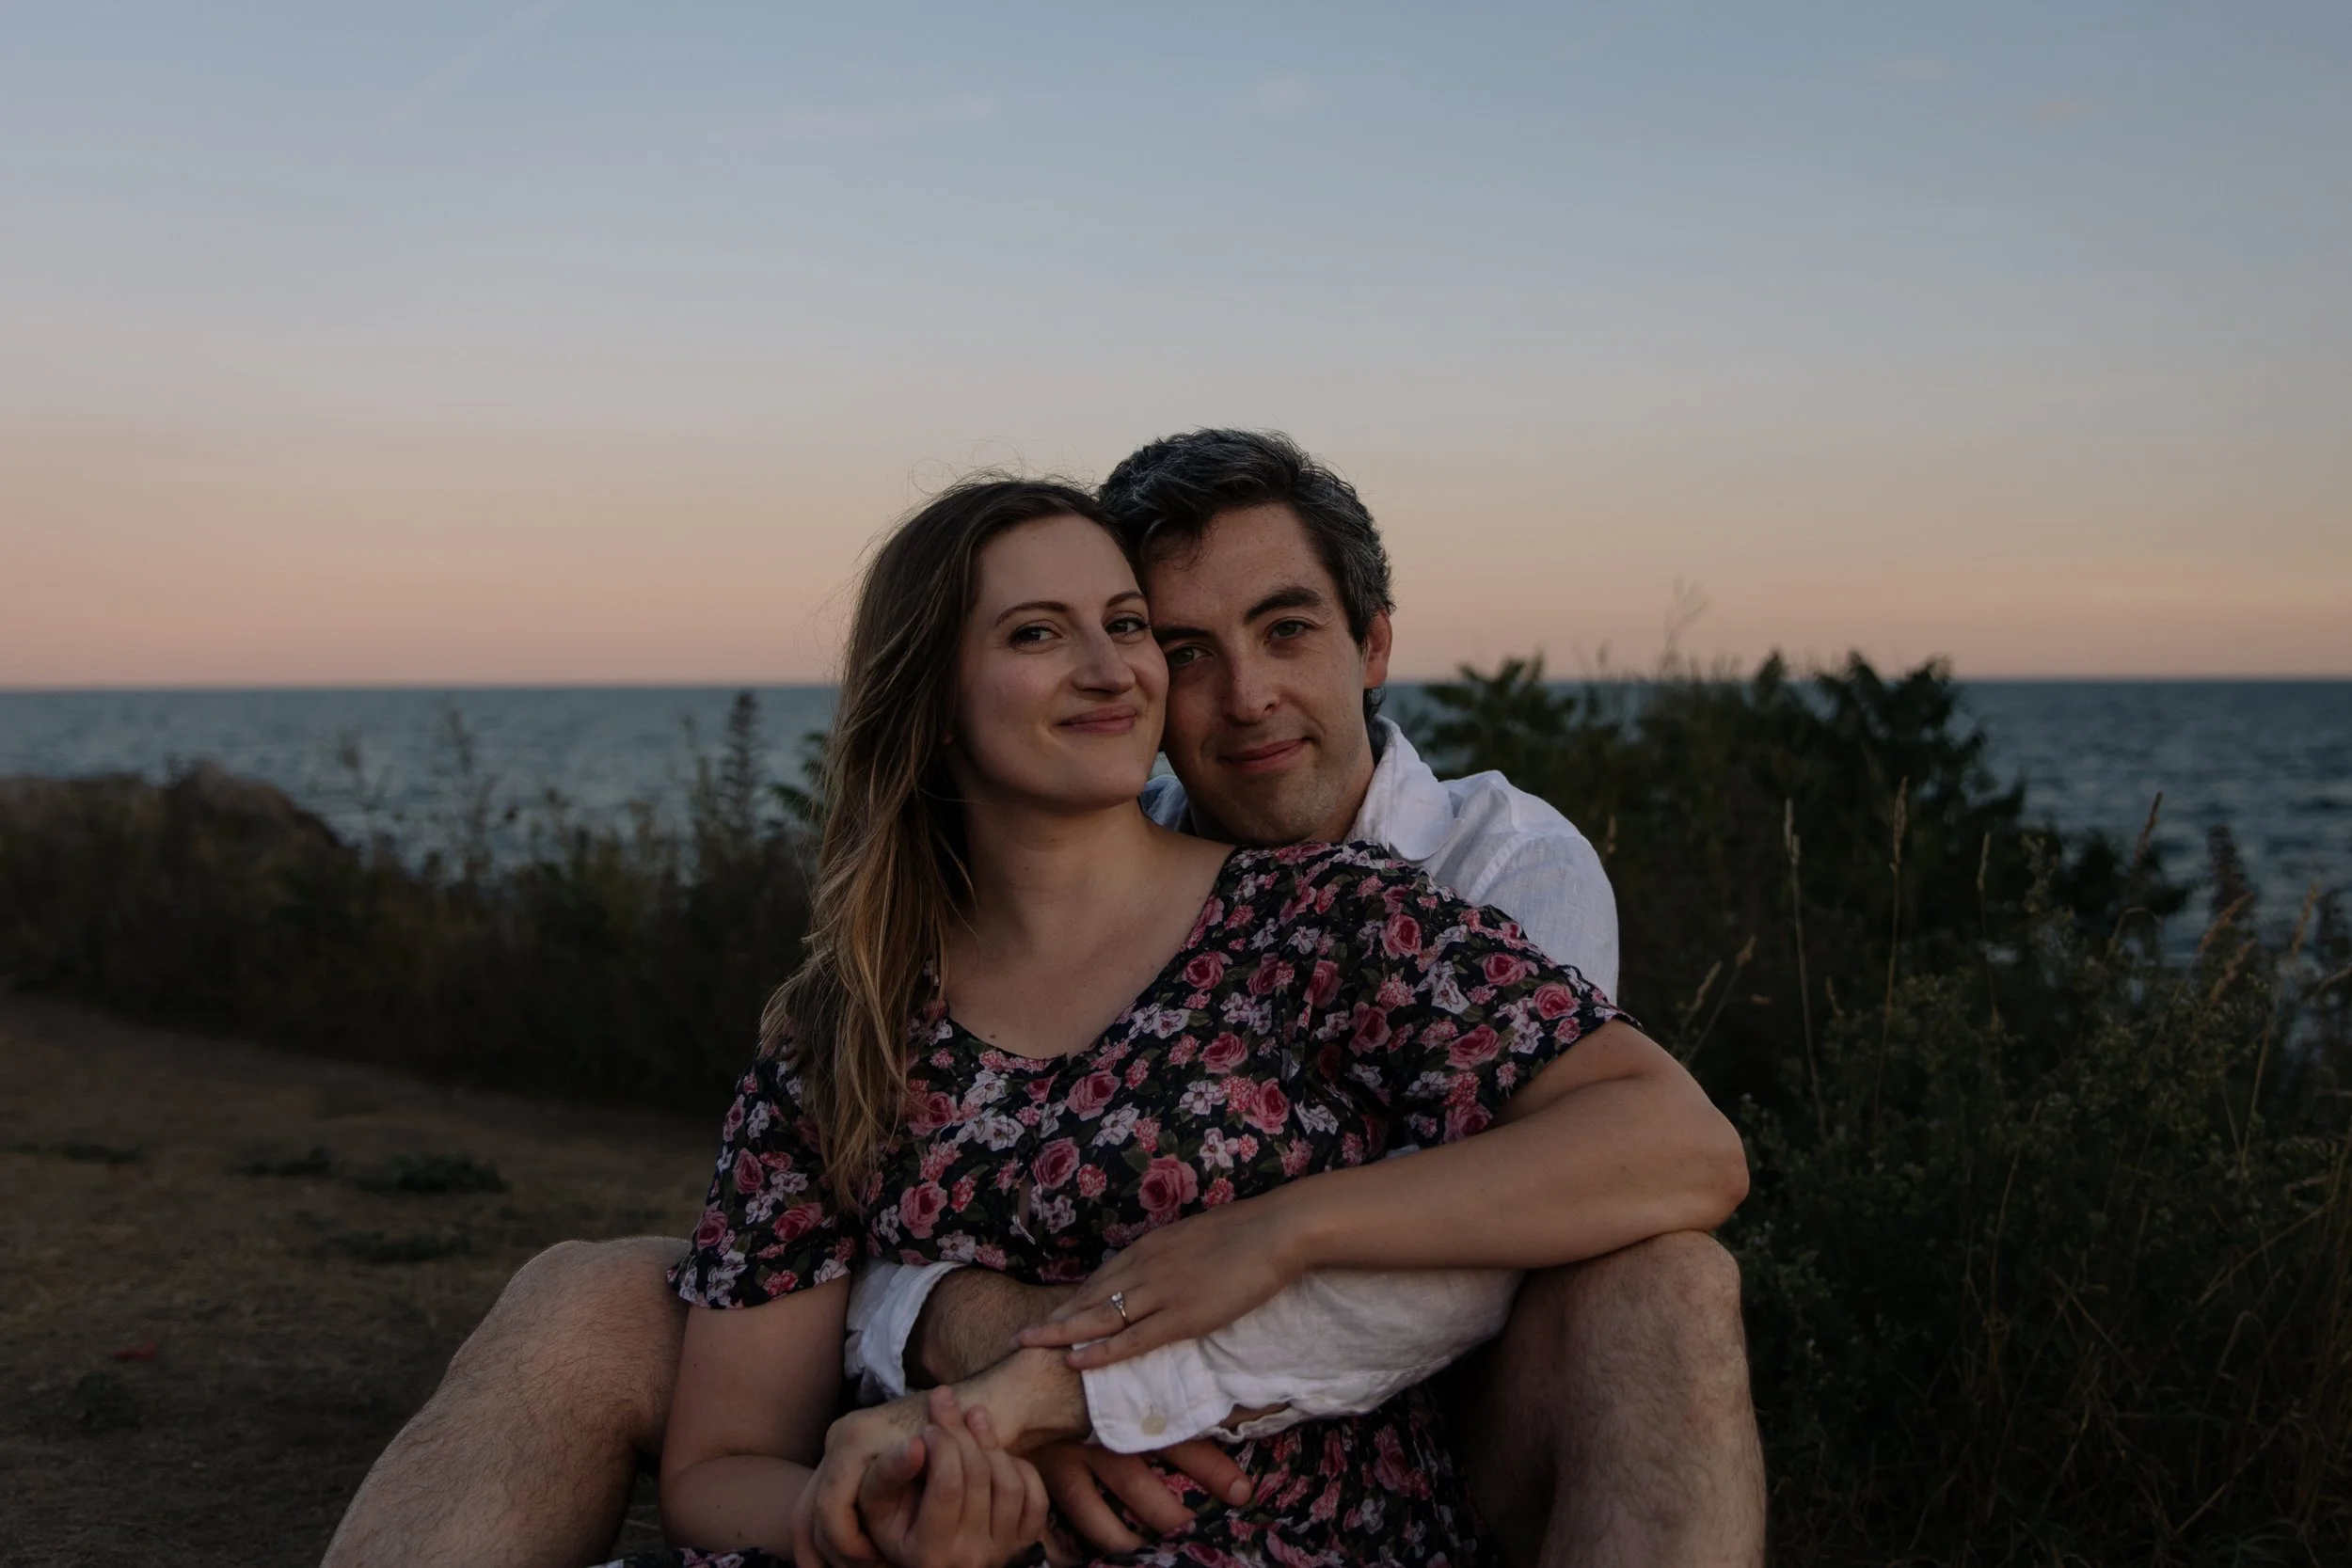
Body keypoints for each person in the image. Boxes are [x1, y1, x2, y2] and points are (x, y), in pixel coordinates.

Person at [322, 436, 1764, 1568]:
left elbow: (1535, 1230)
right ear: (935, 696)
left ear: (1372, 644)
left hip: (1387, 1441)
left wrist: (1107, 1352)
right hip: (963, 1457)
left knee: (1666, 1274)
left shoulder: (1402, 896)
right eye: (1169, 639)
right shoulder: (855, 1022)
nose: (1216, 689)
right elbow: (740, 1453)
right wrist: (932, 1444)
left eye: (1276, 631)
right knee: (584, 1296)